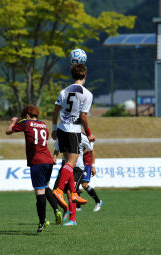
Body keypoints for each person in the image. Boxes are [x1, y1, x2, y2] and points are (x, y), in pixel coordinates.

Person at [5, 105, 62, 231]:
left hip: (37, 161)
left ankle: (42, 221)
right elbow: (45, 138)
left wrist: (13, 122)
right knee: (46, 186)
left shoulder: (25, 122)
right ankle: (57, 210)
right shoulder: (43, 125)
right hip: (48, 160)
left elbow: (8, 131)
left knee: (39, 192)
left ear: (26, 115)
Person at [51, 64, 95, 212]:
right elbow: (83, 116)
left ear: (72, 75)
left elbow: (55, 111)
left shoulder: (64, 91)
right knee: (72, 162)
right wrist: (88, 133)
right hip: (73, 130)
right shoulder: (87, 94)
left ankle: (74, 193)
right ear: (85, 76)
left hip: (62, 129)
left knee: (69, 163)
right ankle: (59, 189)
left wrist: (54, 129)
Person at [52, 133, 92, 225]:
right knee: (55, 192)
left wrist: (92, 165)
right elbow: (57, 149)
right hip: (65, 167)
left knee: (70, 192)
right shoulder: (62, 134)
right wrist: (54, 158)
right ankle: (66, 209)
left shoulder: (82, 136)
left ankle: (72, 220)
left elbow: (90, 149)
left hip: (77, 168)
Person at [78, 140, 102, 212]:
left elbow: (90, 149)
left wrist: (77, 153)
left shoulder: (86, 137)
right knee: (75, 183)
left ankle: (98, 201)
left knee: (84, 185)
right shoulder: (75, 133)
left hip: (86, 163)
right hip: (78, 162)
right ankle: (77, 207)